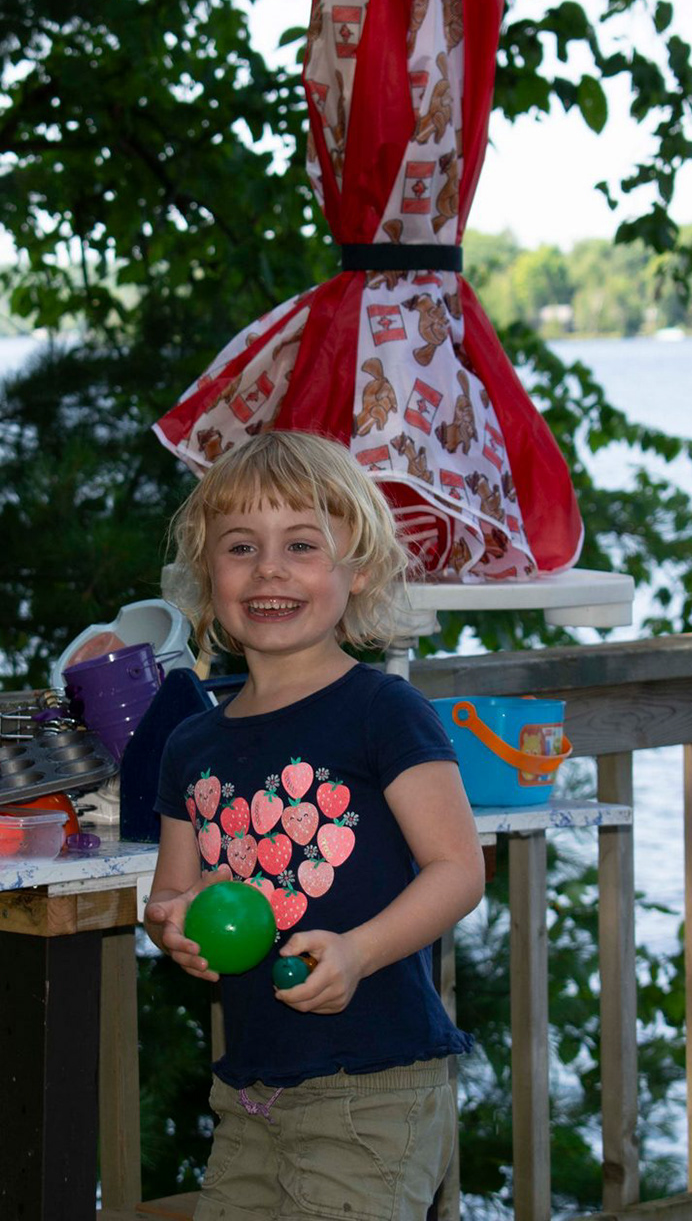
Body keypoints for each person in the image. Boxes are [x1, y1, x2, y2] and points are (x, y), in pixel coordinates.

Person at [145, 430, 485, 1220]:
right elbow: (169, 897)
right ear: (207, 574)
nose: (269, 569)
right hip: (250, 1093)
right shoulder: (190, 744)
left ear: (356, 569)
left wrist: (357, 952)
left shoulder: (384, 711)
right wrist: (174, 929)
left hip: (376, 1086)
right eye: (241, 547)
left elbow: (458, 869)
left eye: (302, 545)